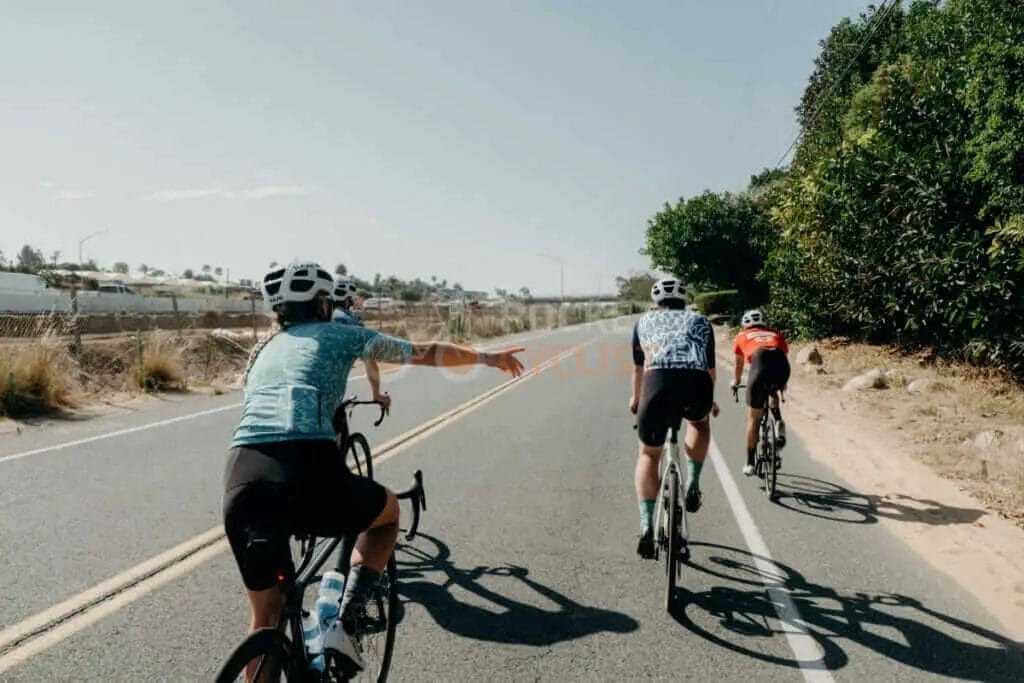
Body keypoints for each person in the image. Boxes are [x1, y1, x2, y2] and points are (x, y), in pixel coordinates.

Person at [224, 261, 524, 674]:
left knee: (265, 616)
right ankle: (346, 622)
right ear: (323, 303)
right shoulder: (343, 333)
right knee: (388, 515)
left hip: (242, 475)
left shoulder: (262, 351)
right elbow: (424, 352)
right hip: (307, 467)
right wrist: (488, 357)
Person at [629, 278, 719, 559]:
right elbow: (710, 369)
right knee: (699, 422)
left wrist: (636, 399)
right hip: (696, 384)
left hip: (657, 383)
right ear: (685, 299)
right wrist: (710, 399)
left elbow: (639, 369)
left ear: (656, 302)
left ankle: (647, 525)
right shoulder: (701, 321)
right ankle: (692, 484)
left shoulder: (643, 323)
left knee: (648, 454)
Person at [730, 309, 791, 476]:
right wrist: (782, 384)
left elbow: (739, 365)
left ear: (745, 324)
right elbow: (783, 357)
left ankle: (750, 462)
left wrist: (736, 382)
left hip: (760, 364)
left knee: (753, 418)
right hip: (781, 366)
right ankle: (777, 421)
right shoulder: (776, 334)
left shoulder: (741, 336)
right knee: (773, 389)